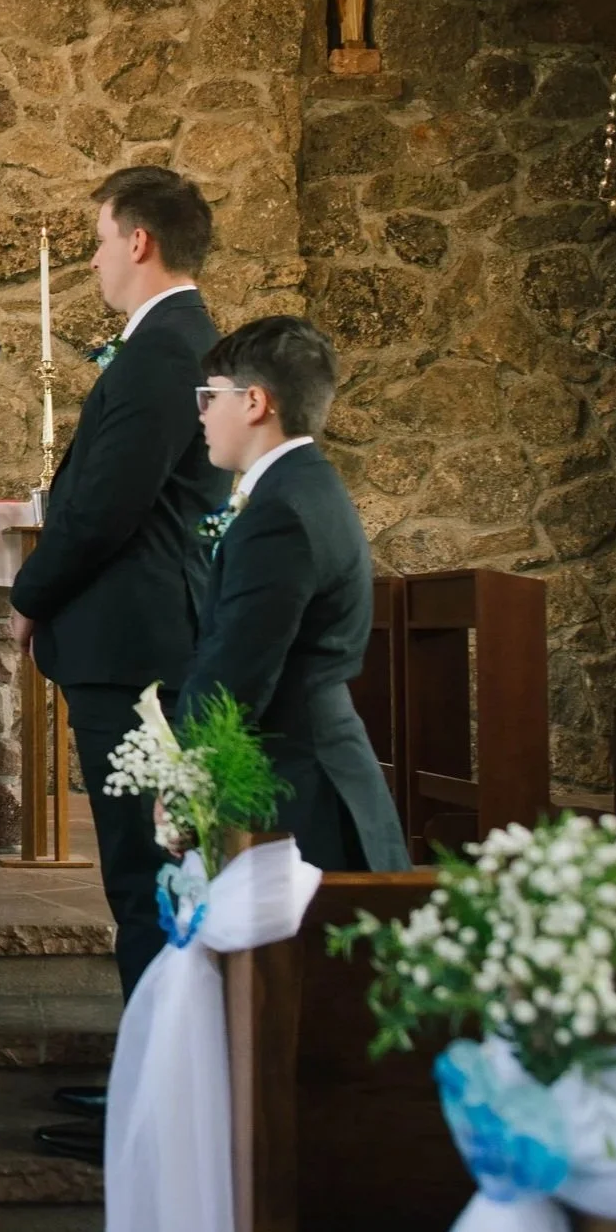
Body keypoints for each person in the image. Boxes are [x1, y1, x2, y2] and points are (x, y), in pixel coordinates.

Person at [9, 168, 225, 1162]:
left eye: (98, 237)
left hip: (132, 643)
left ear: (138, 241)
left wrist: (28, 592)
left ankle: (159, 1101)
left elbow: (101, 507)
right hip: (134, 636)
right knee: (143, 869)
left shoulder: (160, 352)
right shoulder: (172, 345)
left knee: (144, 873)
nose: (92, 255)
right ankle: (153, 1069)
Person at [185, 316, 409, 872]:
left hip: (303, 794)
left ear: (255, 402)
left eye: (210, 397)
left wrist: (185, 781)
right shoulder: (307, 486)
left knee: (311, 959)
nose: (202, 414)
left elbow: (237, 668)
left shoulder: (279, 513)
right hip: (317, 766)